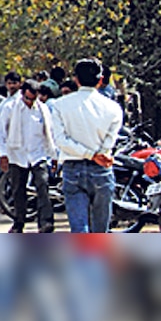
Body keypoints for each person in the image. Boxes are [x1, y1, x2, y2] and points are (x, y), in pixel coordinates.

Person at [49, 57, 124, 233]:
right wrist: (98, 155)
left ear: (76, 79)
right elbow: (109, 142)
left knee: (79, 228)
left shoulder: (60, 105)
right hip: (101, 170)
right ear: (100, 80)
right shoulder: (113, 108)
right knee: (100, 231)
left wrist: (88, 154)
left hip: (72, 169)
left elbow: (60, 140)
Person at [0, 79, 57, 233]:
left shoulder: (42, 109)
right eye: (28, 99)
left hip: (38, 154)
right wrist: (3, 154)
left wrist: (54, 155)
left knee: (43, 186)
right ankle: (19, 222)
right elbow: (1, 132)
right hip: (17, 155)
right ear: (22, 95)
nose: (30, 102)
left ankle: (45, 223)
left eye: (33, 99)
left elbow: (50, 133)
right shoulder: (10, 108)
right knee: (18, 191)